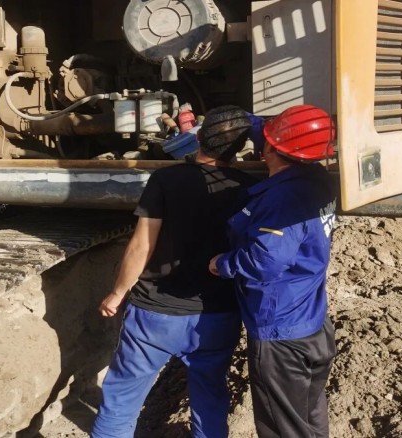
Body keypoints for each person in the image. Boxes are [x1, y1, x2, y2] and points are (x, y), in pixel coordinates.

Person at [91, 105, 259, 438]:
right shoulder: (249, 188)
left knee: (122, 398)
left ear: (199, 137)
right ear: (241, 146)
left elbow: (142, 245)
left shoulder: (166, 180)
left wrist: (118, 292)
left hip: (154, 315)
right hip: (217, 316)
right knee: (210, 399)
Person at [209, 104, 338, 438]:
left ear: (270, 149)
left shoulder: (282, 199)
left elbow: (265, 261)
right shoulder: (319, 179)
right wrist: (240, 121)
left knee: (282, 429)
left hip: (281, 335)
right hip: (312, 323)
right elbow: (272, 137)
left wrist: (223, 264)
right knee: (308, 415)